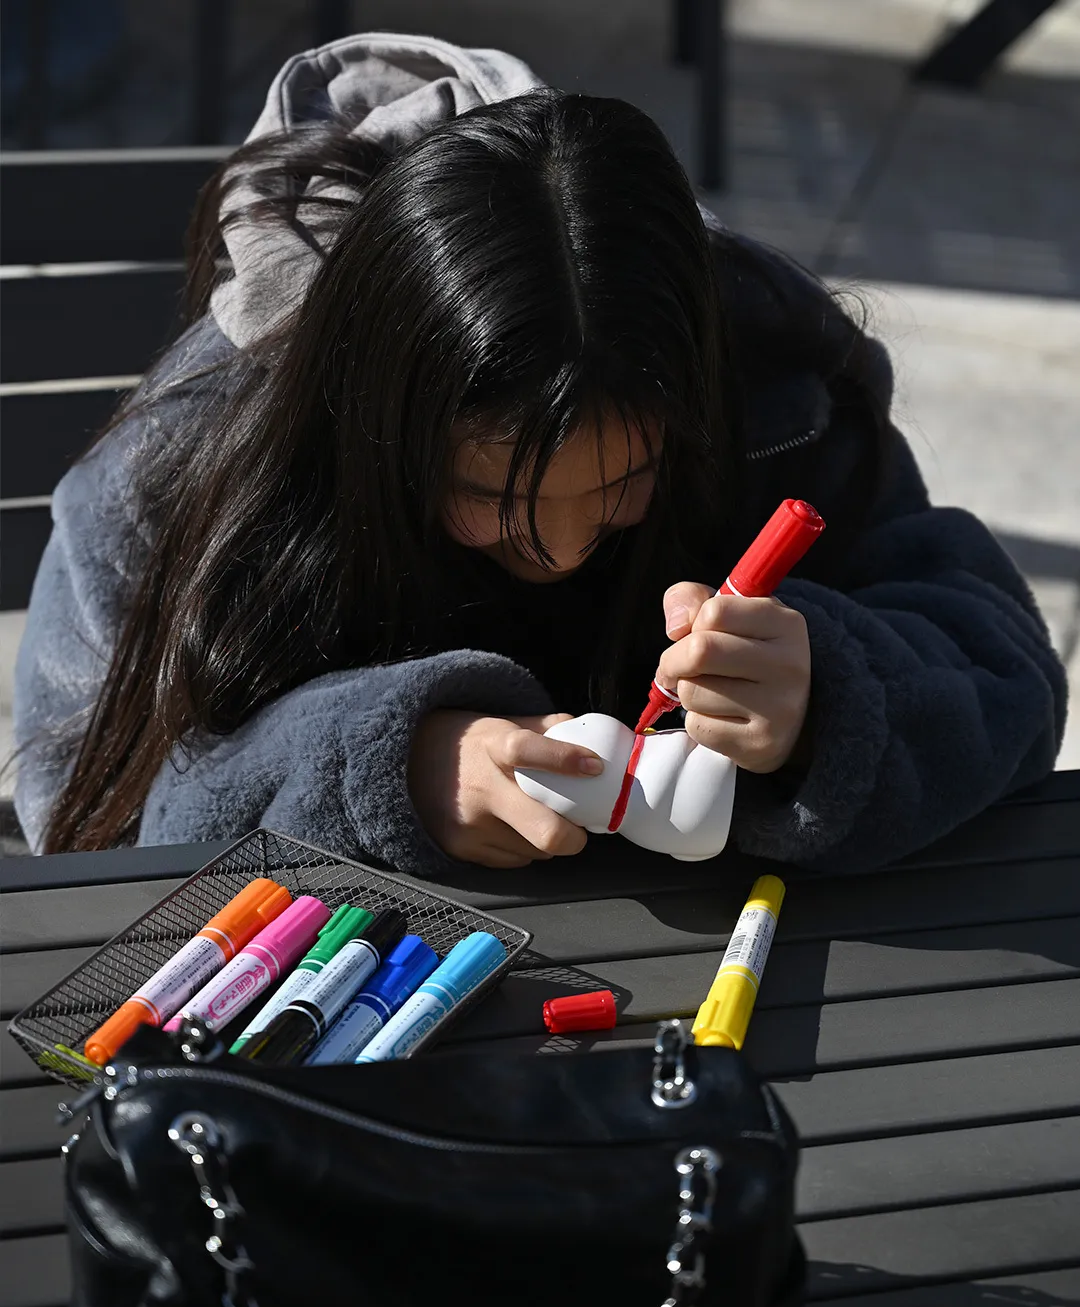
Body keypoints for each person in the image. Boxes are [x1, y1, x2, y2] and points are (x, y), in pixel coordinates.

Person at [13, 34, 1066, 874]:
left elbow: (999, 668)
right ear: (377, 426)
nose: (560, 551)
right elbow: (83, 811)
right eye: (491, 497)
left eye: (624, 488)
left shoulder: (770, 390)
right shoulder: (200, 452)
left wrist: (829, 699)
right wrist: (387, 770)